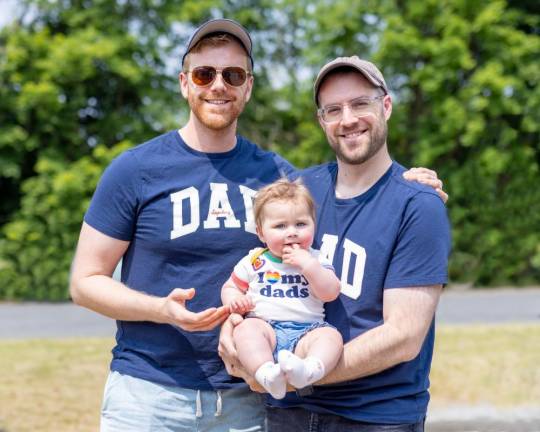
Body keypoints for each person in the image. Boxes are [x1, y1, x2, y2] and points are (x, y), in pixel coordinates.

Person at [70, 17, 446, 432]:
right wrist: (160, 309)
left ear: (247, 87)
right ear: (184, 82)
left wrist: (411, 183)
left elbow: (359, 189)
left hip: (246, 401)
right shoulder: (135, 168)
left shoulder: (279, 178)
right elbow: (84, 282)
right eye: (204, 73)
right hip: (148, 393)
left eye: (232, 75)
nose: (218, 85)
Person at [219, 56, 451, 432]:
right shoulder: (300, 191)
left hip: (375, 416)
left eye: (361, 103)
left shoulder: (417, 204)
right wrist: (234, 336)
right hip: (288, 413)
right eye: (333, 109)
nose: (348, 119)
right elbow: (258, 274)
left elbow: (404, 338)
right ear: (322, 121)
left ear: (386, 106)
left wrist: (303, 374)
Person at [221, 178, 343, 400]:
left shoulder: (316, 258)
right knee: (245, 331)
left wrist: (308, 265)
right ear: (261, 233)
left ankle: (308, 370)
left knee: (331, 337)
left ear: (313, 224)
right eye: (280, 226)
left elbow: (331, 292)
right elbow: (231, 286)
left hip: (308, 329)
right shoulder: (255, 260)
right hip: (265, 327)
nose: (292, 233)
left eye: (300, 224)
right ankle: (267, 374)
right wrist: (234, 300)